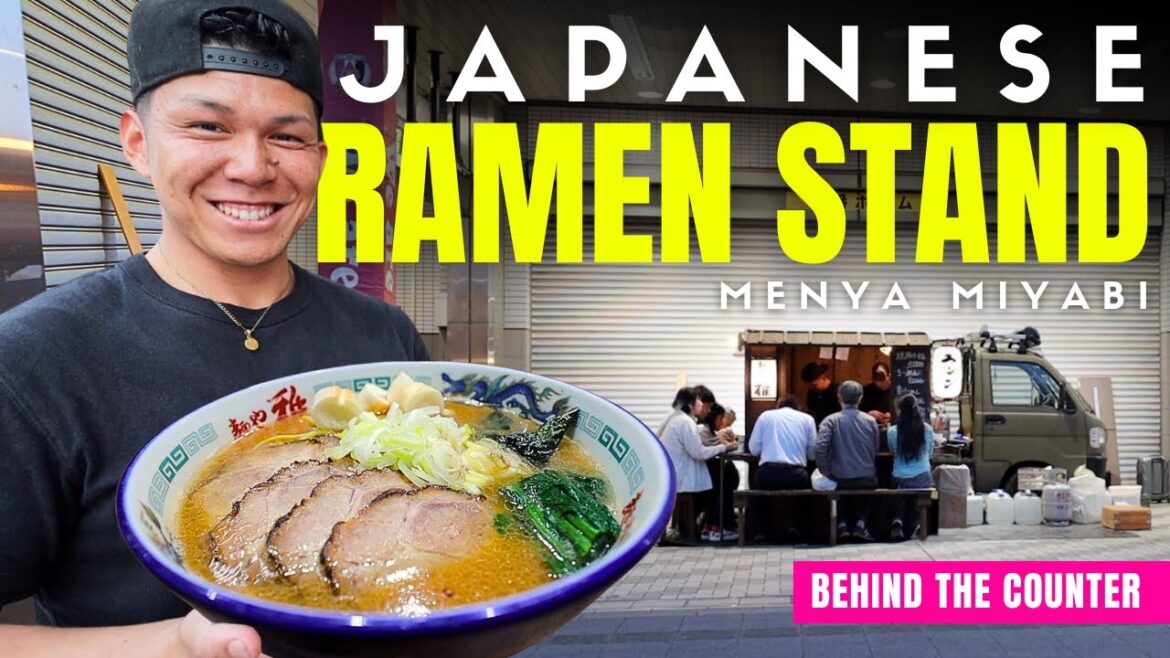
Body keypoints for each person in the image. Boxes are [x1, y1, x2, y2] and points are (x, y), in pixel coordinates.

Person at [0, 2, 427, 656]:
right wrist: (173, 642)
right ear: (138, 142)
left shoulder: (385, 335)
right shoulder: (34, 362)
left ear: (320, 155)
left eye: (286, 136)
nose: (252, 167)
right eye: (207, 126)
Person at [658, 388, 738, 542]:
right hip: (683, 476)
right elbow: (699, 453)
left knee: (724, 475)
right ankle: (715, 528)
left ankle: (710, 526)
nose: (701, 405)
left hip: (676, 472)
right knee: (722, 481)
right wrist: (725, 447)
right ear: (690, 404)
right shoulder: (685, 422)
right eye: (698, 401)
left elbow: (696, 447)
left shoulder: (679, 419)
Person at [814, 381, 880, 542]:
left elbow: (819, 447)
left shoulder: (830, 420)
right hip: (866, 477)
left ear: (839, 398)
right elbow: (875, 448)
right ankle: (861, 523)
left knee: (837, 488)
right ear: (861, 398)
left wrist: (825, 470)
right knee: (878, 484)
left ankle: (842, 524)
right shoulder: (870, 421)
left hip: (839, 477)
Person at [887, 394, 936, 540]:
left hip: (900, 477)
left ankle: (898, 520)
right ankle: (917, 523)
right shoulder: (927, 429)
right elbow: (930, 453)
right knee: (923, 488)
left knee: (899, 488)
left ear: (899, 410)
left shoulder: (892, 431)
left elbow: (893, 453)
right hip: (923, 476)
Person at [698, 403, 739, 541]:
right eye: (721, 419)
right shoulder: (702, 430)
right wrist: (724, 446)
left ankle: (714, 526)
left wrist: (722, 440)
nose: (722, 423)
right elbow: (705, 450)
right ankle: (717, 528)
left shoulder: (707, 430)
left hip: (702, 472)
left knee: (728, 476)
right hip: (699, 475)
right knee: (724, 485)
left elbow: (713, 442)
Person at [801, 361, 840, 426]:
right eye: (809, 386)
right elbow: (812, 411)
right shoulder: (812, 392)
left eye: (814, 385)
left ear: (823, 378)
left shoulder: (838, 391)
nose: (811, 388)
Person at [859, 362, 894, 426]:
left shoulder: (896, 390)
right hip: (871, 425)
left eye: (882, 378)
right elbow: (856, 412)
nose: (879, 382)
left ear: (889, 376)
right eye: (876, 379)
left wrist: (894, 415)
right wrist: (868, 414)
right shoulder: (866, 391)